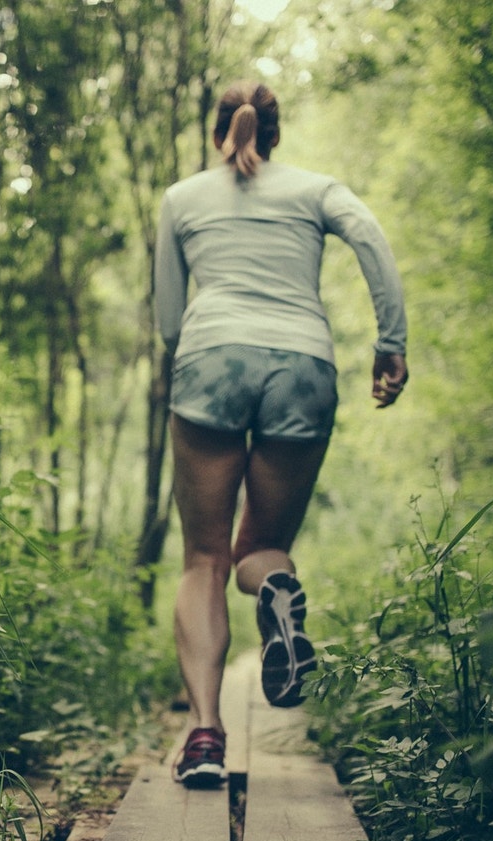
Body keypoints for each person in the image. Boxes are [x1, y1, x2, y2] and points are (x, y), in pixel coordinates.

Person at [154, 81, 409, 789]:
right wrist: (391, 342)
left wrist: (188, 353)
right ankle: (281, 604)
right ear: (275, 134)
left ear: (218, 135)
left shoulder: (182, 199)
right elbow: (371, 238)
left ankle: (205, 736)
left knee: (205, 557)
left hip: (212, 359)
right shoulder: (317, 189)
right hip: (304, 361)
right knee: (262, 550)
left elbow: (171, 320)